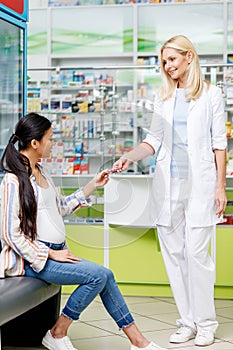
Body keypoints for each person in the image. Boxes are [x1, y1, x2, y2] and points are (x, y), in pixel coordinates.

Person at [0, 112, 166, 350]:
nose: (53, 143)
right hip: (31, 261)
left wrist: (92, 185)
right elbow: (9, 233)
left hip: (57, 253)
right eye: (50, 138)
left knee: (104, 275)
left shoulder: (42, 172)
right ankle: (58, 332)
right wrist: (47, 254)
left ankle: (138, 342)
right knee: (98, 275)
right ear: (35, 143)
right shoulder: (12, 181)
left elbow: (62, 208)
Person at [112, 35, 227, 347]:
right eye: (164, 62)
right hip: (169, 186)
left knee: (196, 255)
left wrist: (220, 187)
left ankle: (206, 324)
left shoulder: (212, 95)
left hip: (200, 186)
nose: (167, 66)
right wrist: (128, 157)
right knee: (175, 255)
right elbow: (153, 140)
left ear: (189, 56)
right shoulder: (162, 98)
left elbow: (219, 144)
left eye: (172, 60)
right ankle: (187, 322)